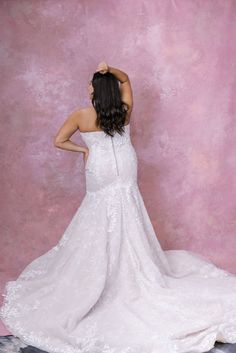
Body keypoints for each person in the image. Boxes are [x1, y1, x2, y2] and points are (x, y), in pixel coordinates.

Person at [0, 61, 236, 353]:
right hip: (125, 167)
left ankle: (107, 266)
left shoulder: (81, 115)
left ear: (95, 91)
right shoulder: (123, 112)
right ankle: (127, 263)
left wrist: (84, 149)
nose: (87, 87)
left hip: (99, 169)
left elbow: (59, 141)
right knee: (126, 204)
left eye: (90, 84)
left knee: (100, 209)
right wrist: (109, 69)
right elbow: (126, 81)